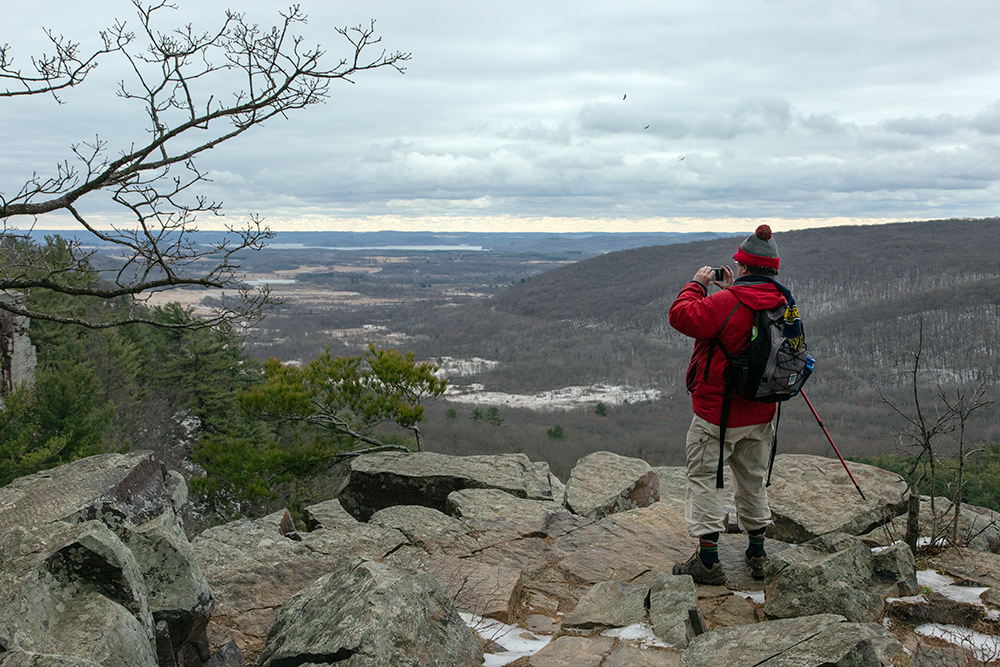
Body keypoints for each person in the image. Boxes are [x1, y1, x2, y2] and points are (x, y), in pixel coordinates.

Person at [667, 224, 786, 585]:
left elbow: (681, 316)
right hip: (762, 410)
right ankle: (757, 553)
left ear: (745, 266)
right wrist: (730, 291)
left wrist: (698, 284)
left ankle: (707, 562)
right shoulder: (783, 302)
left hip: (717, 413)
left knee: (706, 479)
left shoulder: (726, 302)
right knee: (752, 479)